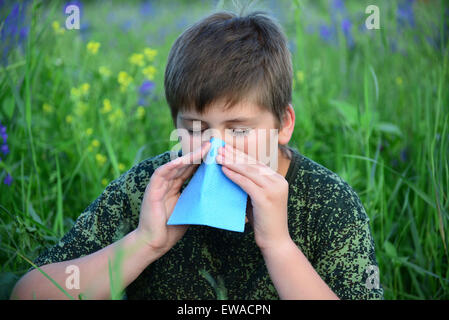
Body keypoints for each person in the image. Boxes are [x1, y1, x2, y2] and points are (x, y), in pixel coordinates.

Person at [10, 10, 383, 300]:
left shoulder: (327, 201)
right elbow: (28, 292)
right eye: (195, 129)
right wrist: (144, 242)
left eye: (239, 130)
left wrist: (279, 245)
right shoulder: (150, 188)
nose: (215, 149)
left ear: (284, 124)